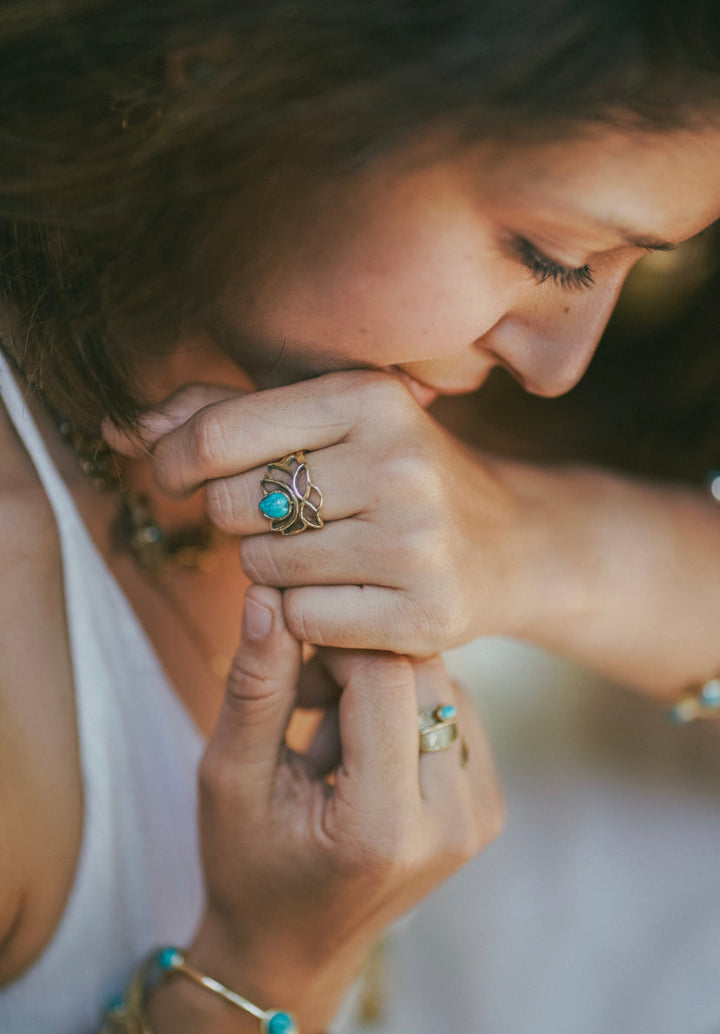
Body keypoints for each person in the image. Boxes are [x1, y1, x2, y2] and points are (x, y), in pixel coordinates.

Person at [0, 1, 719, 1033]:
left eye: (637, 265)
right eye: (556, 254)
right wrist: (268, 967)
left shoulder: (446, 398)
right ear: (232, 62)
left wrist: (534, 540)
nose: (559, 363)